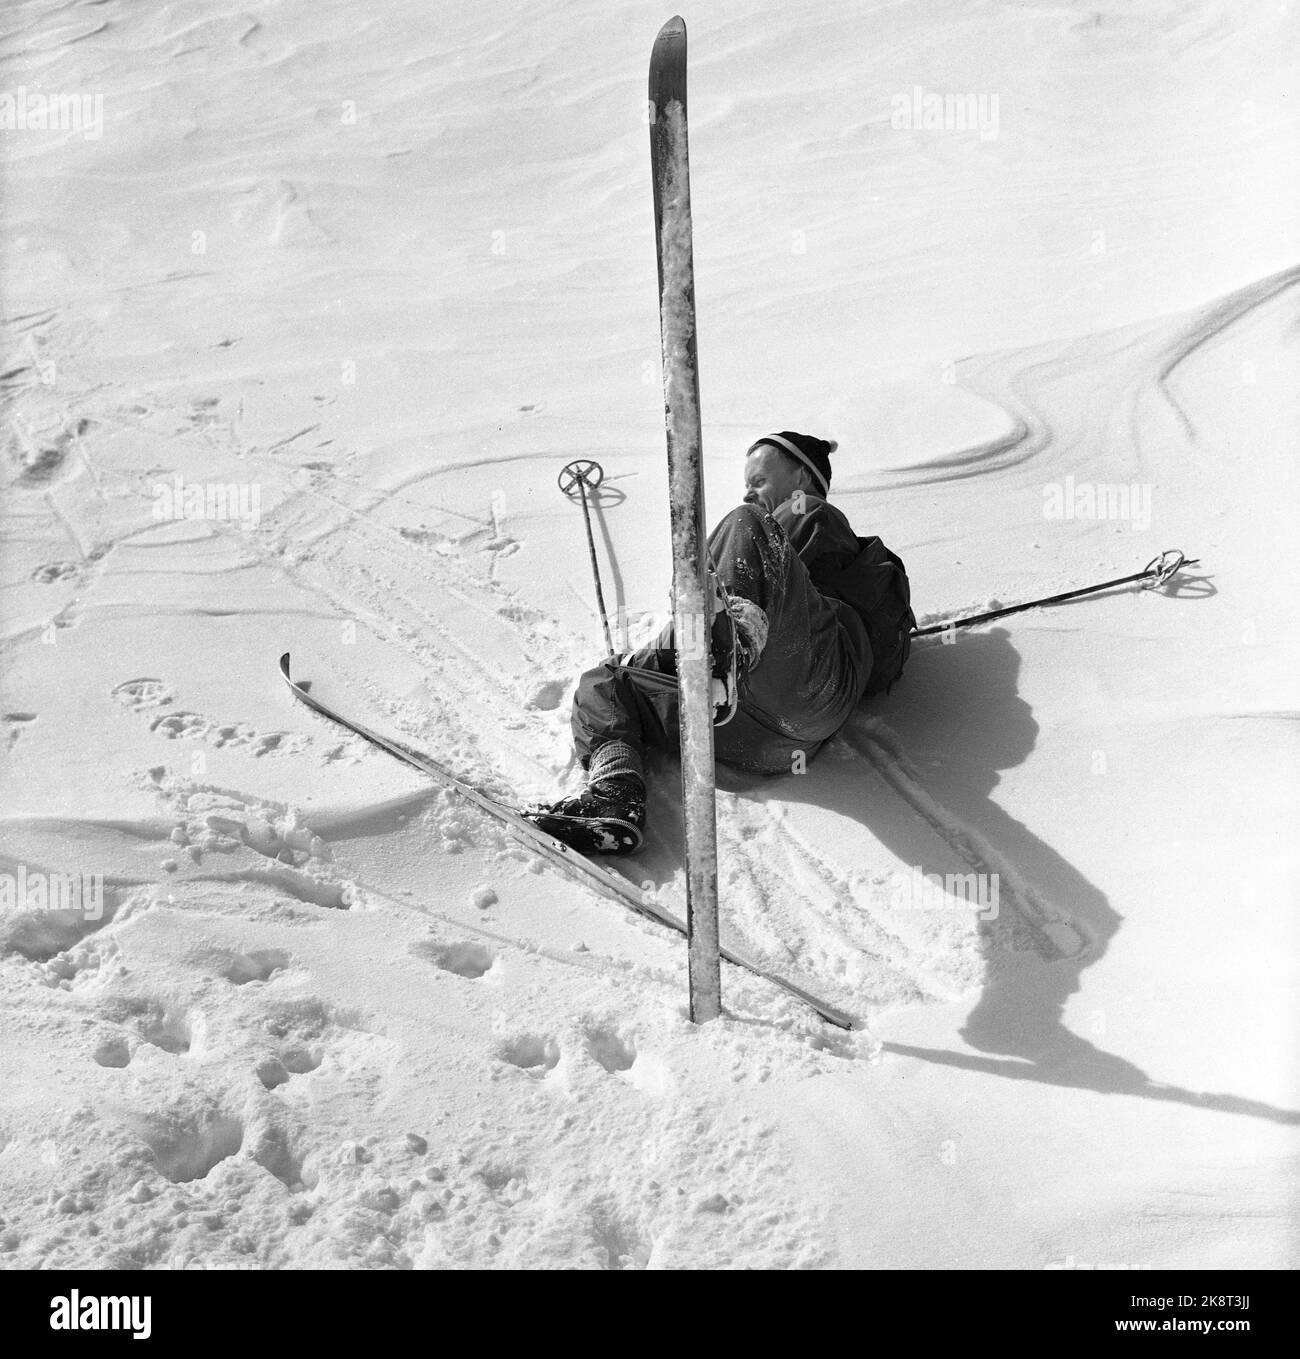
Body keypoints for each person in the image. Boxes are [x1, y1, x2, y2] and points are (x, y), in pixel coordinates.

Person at [529, 431, 916, 853]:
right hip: (770, 739)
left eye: (761, 480)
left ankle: (726, 654)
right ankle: (615, 796)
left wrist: (678, 645)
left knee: (743, 523)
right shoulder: (789, 538)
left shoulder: (811, 513)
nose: (750, 491)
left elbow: (770, 583)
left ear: (803, 478)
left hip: (810, 675)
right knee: (607, 681)